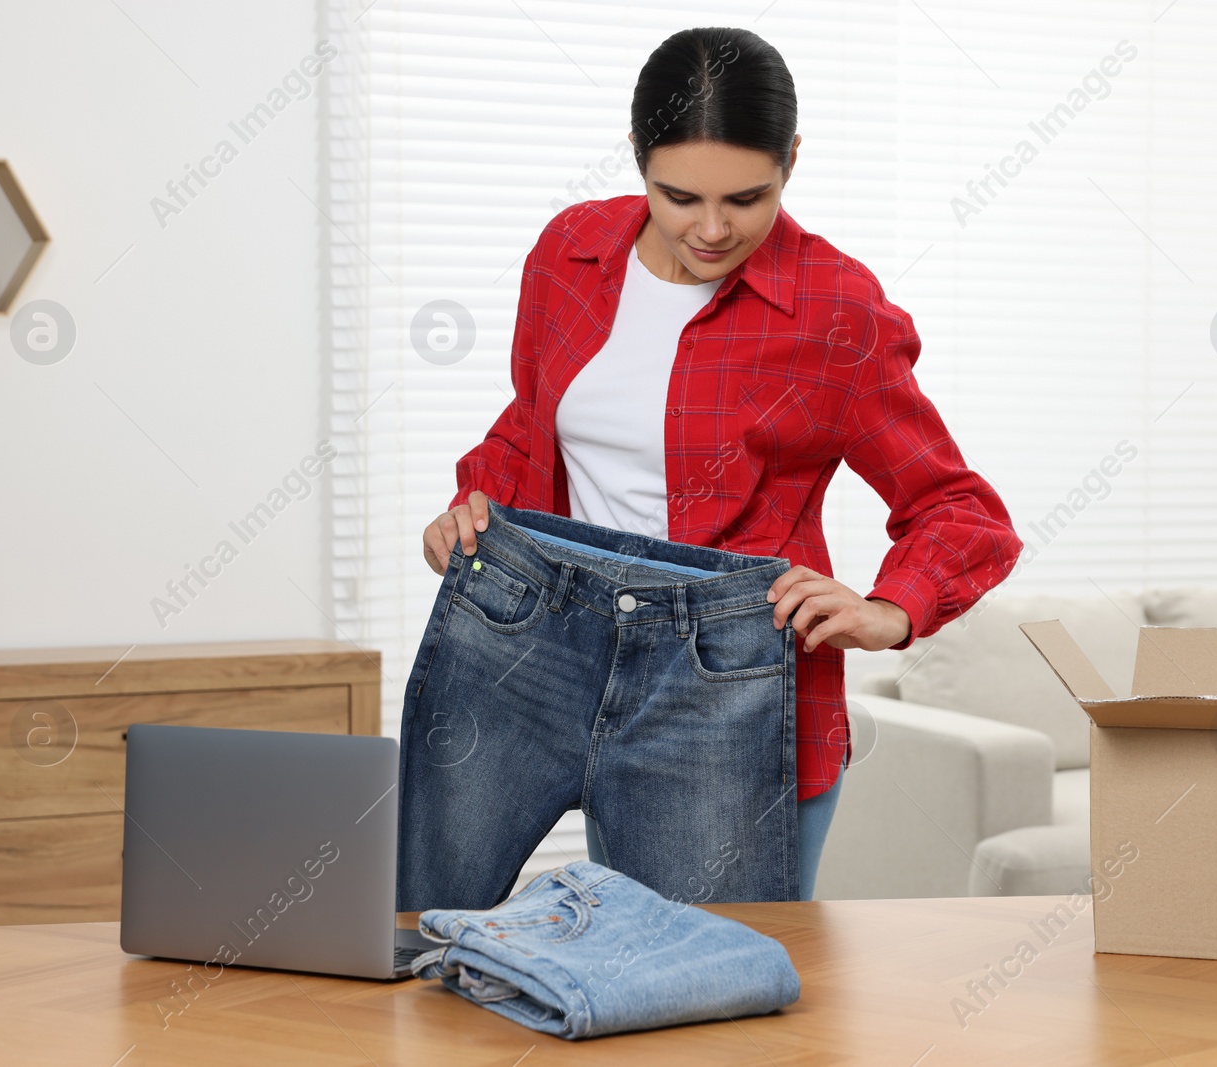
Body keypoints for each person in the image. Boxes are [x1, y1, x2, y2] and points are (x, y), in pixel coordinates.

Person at [421, 26, 1021, 900]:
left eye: (747, 197)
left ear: (792, 161)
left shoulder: (834, 309)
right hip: (541, 641)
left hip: (727, 678)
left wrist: (892, 610)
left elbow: (959, 508)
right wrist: (472, 506)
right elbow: (530, 428)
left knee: (708, 999)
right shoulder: (569, 254)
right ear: (637, 156)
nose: (710, 230)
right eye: (678, 195)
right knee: (428, 934)